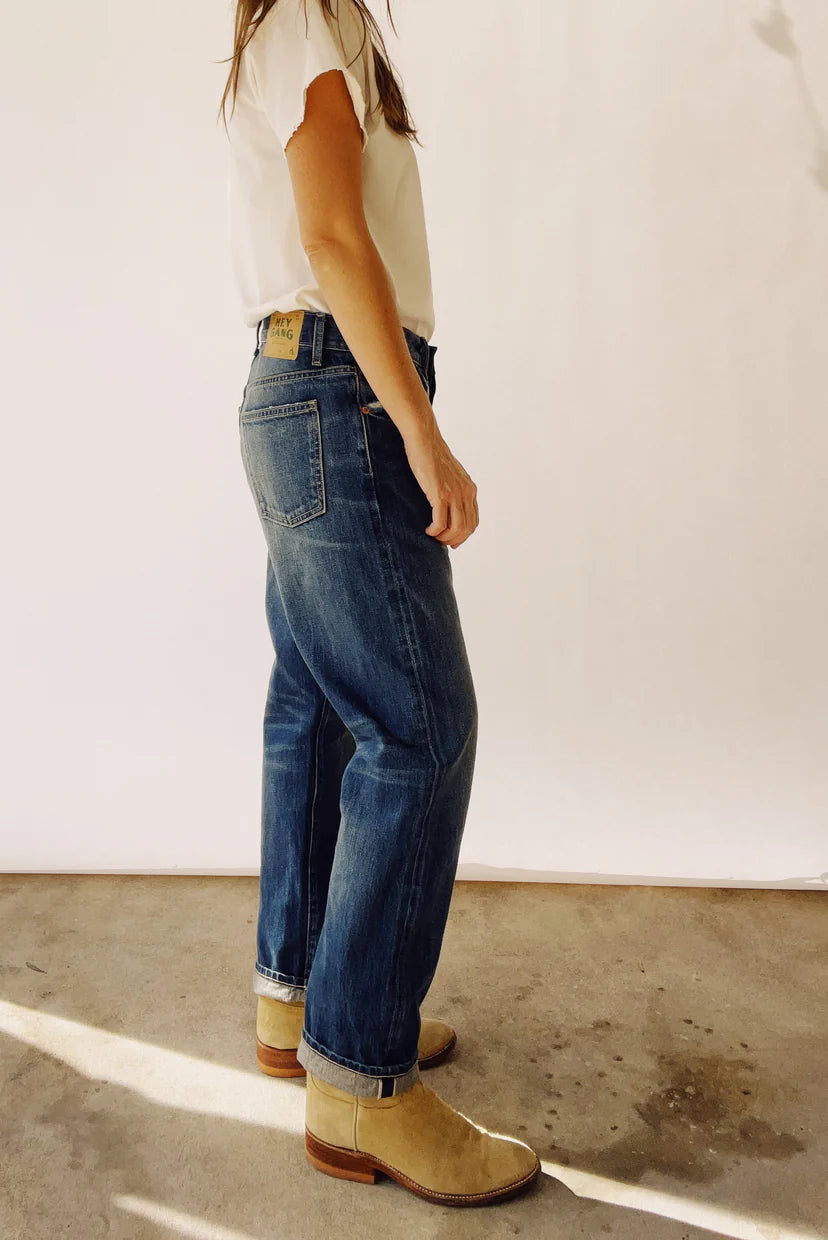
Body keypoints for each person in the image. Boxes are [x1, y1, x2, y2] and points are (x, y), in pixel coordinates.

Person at [219, 0, 540, 1206]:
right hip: (339, 392)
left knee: (321, 706)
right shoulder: (308, 16)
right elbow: (334, 237)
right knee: (419, 728)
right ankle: (362, 1077)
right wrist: (423, 433)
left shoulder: (313, 19)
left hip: (302, 389)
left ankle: (298, 998)